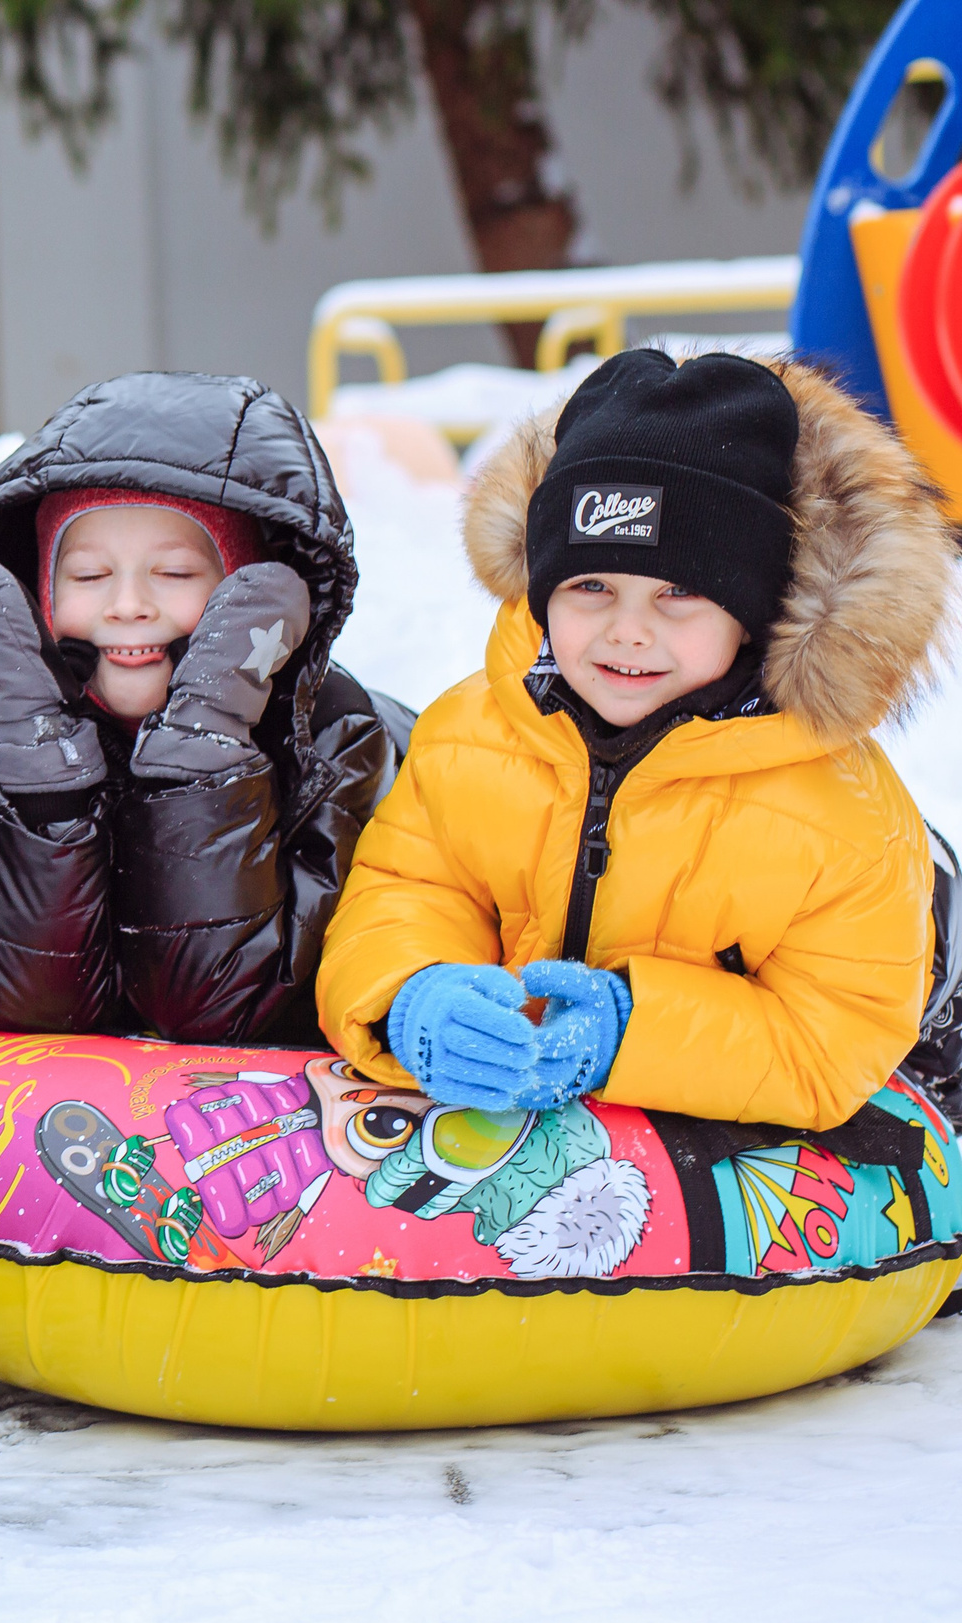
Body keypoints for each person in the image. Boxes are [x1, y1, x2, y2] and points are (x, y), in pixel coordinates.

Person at [318, 350, 960, 1127]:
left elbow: (829, 1040)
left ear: (757, 611)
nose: (628, 629)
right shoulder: (469, 739)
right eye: (591, 586)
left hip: (843, 1113)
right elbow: (410, 888)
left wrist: (633, 1029)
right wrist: (409, 994)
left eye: (679, 594)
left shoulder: (840, 817)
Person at [0, 371, 411, 1041]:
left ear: (248, 590)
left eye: (174, 573)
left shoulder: (337, 739)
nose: (127, 605)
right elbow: (2, 997)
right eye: (88, 576)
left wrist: (205, 742)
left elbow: (230, 1010)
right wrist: (35, 761)